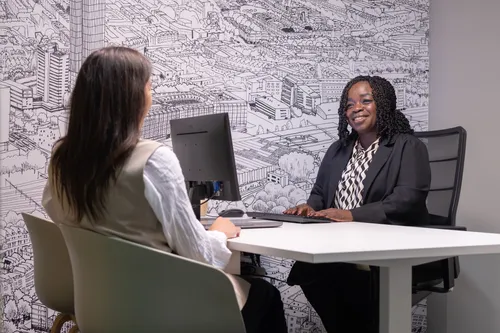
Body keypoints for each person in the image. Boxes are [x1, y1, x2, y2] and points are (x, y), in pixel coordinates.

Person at [41, 46, 287, 333]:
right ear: (131, 98)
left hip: (97, 309)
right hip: (158, 309)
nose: (151, 95)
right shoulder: (153, 160)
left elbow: (55, 210)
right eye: (148, 86)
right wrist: (219, 232)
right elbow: (200, 257)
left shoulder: (61, 159)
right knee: (266, 296)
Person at [284, 75, 431, 333]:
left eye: (366, 101)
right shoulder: (338, 149)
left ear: (383, 104)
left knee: (347, 287)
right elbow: (320, 192)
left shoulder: (408, 146)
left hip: (384, 248)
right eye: (349, 104)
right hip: (340, 246)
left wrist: (352, 214)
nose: (356, 108)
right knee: (308, 270)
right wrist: (309, 206)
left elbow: (408, 199)